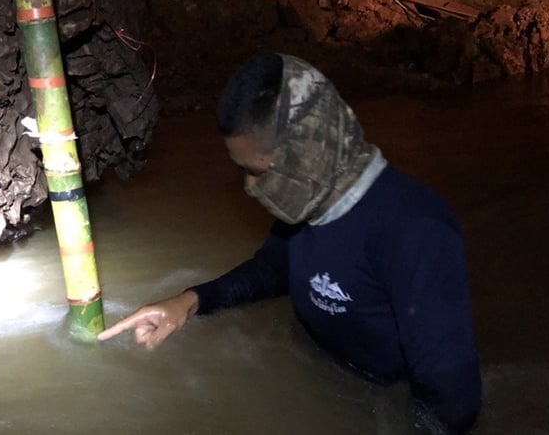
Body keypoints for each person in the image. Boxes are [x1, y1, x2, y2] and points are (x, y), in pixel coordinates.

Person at [98, 53, 481, 434]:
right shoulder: (309, 201)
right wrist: (188, 302)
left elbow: (451, 401)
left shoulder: (414, 231)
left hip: (377, 401)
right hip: (315, 378)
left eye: (255, 172)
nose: (249, 188)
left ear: (307, 157)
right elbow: (274, 269)